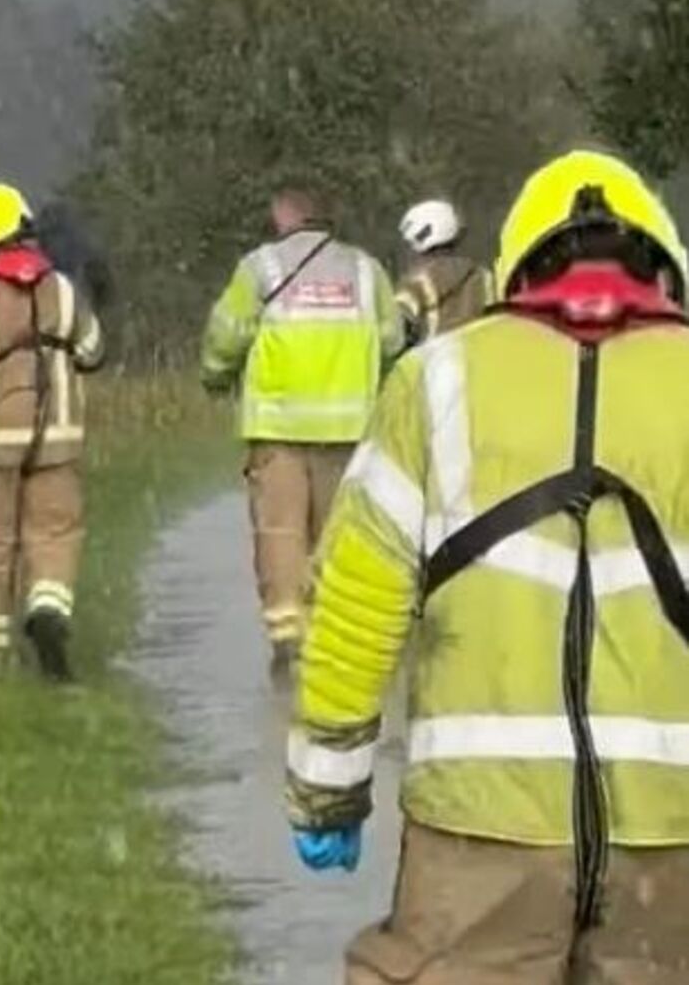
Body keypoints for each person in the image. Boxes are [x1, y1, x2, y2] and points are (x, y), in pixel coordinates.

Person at [287, 150, 689, 983]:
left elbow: (357, 601)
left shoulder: (435, 382)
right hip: (673, 845)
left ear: (521, 265)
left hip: (478, 841)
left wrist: (329, 782)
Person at [201, 187, 402, 673]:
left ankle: (289, 636)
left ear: (283, 215)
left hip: (279, 428)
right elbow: (394, 339)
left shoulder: (260, 268)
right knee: (338, 537)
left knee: (280, 533)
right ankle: (336, 635)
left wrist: (214, 374)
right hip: (350, 430)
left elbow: (226, 334)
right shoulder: (365, 270)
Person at [0, 183, 104, 681]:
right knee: (54, 535)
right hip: (58, 439)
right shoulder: (64, 289)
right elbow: (94, 352)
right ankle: (48, 610)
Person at [395, 199, 495, 347]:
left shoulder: (418, 281)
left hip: (434, 361)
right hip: (481, 355)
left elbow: (395, 321)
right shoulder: (483, 275)